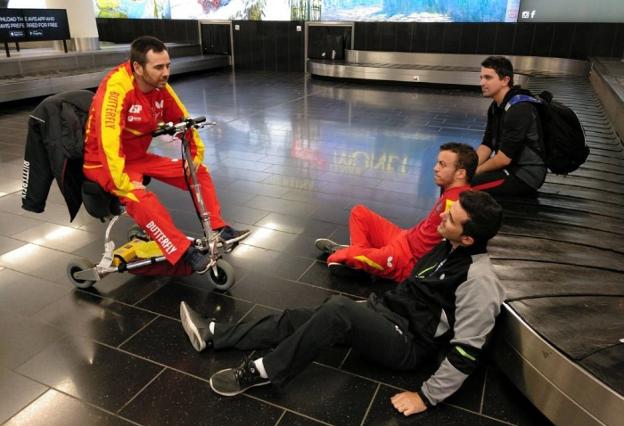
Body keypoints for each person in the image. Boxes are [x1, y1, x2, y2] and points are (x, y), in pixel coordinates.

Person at [179, 190, 504, 416]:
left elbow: (467, 350)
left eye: (452, 217)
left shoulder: (479, 280)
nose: (443, 215)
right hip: (388, 314)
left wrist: (426, 397)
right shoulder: (447, 246)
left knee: (337, 310)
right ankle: (214, 334)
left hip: (409, 344)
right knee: (300, 318)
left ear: (468, 238)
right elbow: (414, 289)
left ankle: (262, 371)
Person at [83, 36, 249, 273]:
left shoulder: (159, 86)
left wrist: (195, 155)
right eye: (158, 67)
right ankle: (182, 251)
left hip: (138, 157)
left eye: (167, 66)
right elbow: (108, 141)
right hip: (103, 163)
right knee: (141, 198)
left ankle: (219, 228)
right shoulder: (116, 88)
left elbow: (184, 119)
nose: (165, 72)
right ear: (138, 67)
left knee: (197, 173)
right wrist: (123, 184)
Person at [314, 142, 477, 283]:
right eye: (437, 163)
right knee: (359, 213)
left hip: (406, 259)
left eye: (442, 164)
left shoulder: (456, 205)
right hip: (405, 237)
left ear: (460, 173)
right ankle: (363, 257)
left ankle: (355, 256)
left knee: (334, 260)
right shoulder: (452, 191)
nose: (435, 168)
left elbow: (451, 250)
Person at [471, 56, 547, 197]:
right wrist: (470, 167)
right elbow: (487, 145)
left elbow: (503, 159)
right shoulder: (495, 107)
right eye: (481, 77)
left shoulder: (519, 109)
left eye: (488, 78)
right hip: (508, 167)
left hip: (525, 175)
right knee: (458, 179)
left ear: (505, 80)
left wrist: (476, 172)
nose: (482, 82)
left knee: (463, 187)